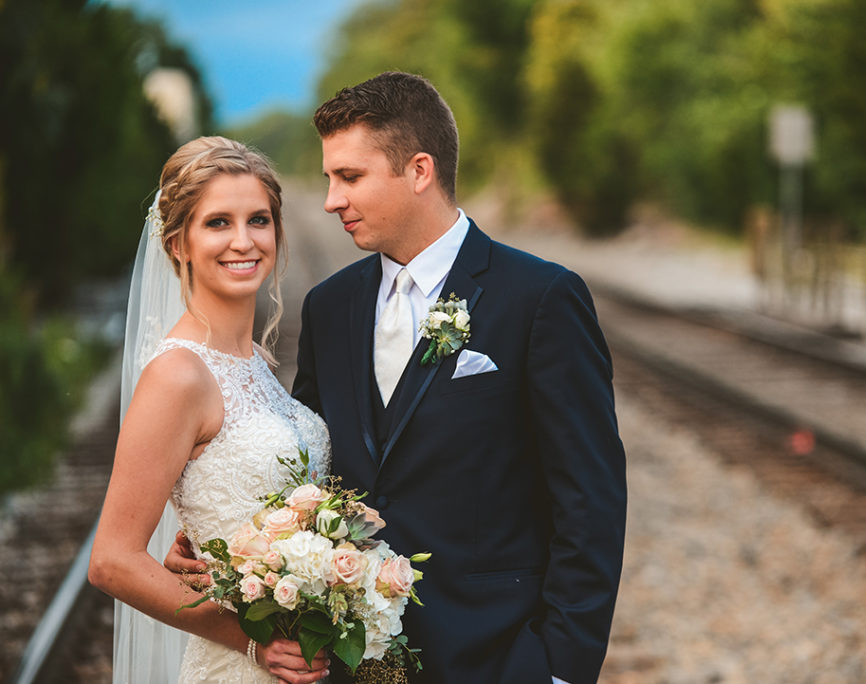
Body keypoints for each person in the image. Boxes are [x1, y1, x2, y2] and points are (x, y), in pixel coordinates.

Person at [169, 72, 628, 683]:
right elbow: (307, 463)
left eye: (349, 178)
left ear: (419, 170)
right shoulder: (332, 307)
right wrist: (229, 539)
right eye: (330, 178)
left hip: (495, 656)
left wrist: (560, 669)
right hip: (350, 662)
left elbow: (590, 501)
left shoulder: (540, 297)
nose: (331, 199)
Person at [89, 136, 331, 684]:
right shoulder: (178, 374)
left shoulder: (258, 364)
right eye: (218, 222)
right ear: (178, 244)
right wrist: (255, 642)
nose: (243, 241)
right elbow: (112, 559)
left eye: (259, 221)